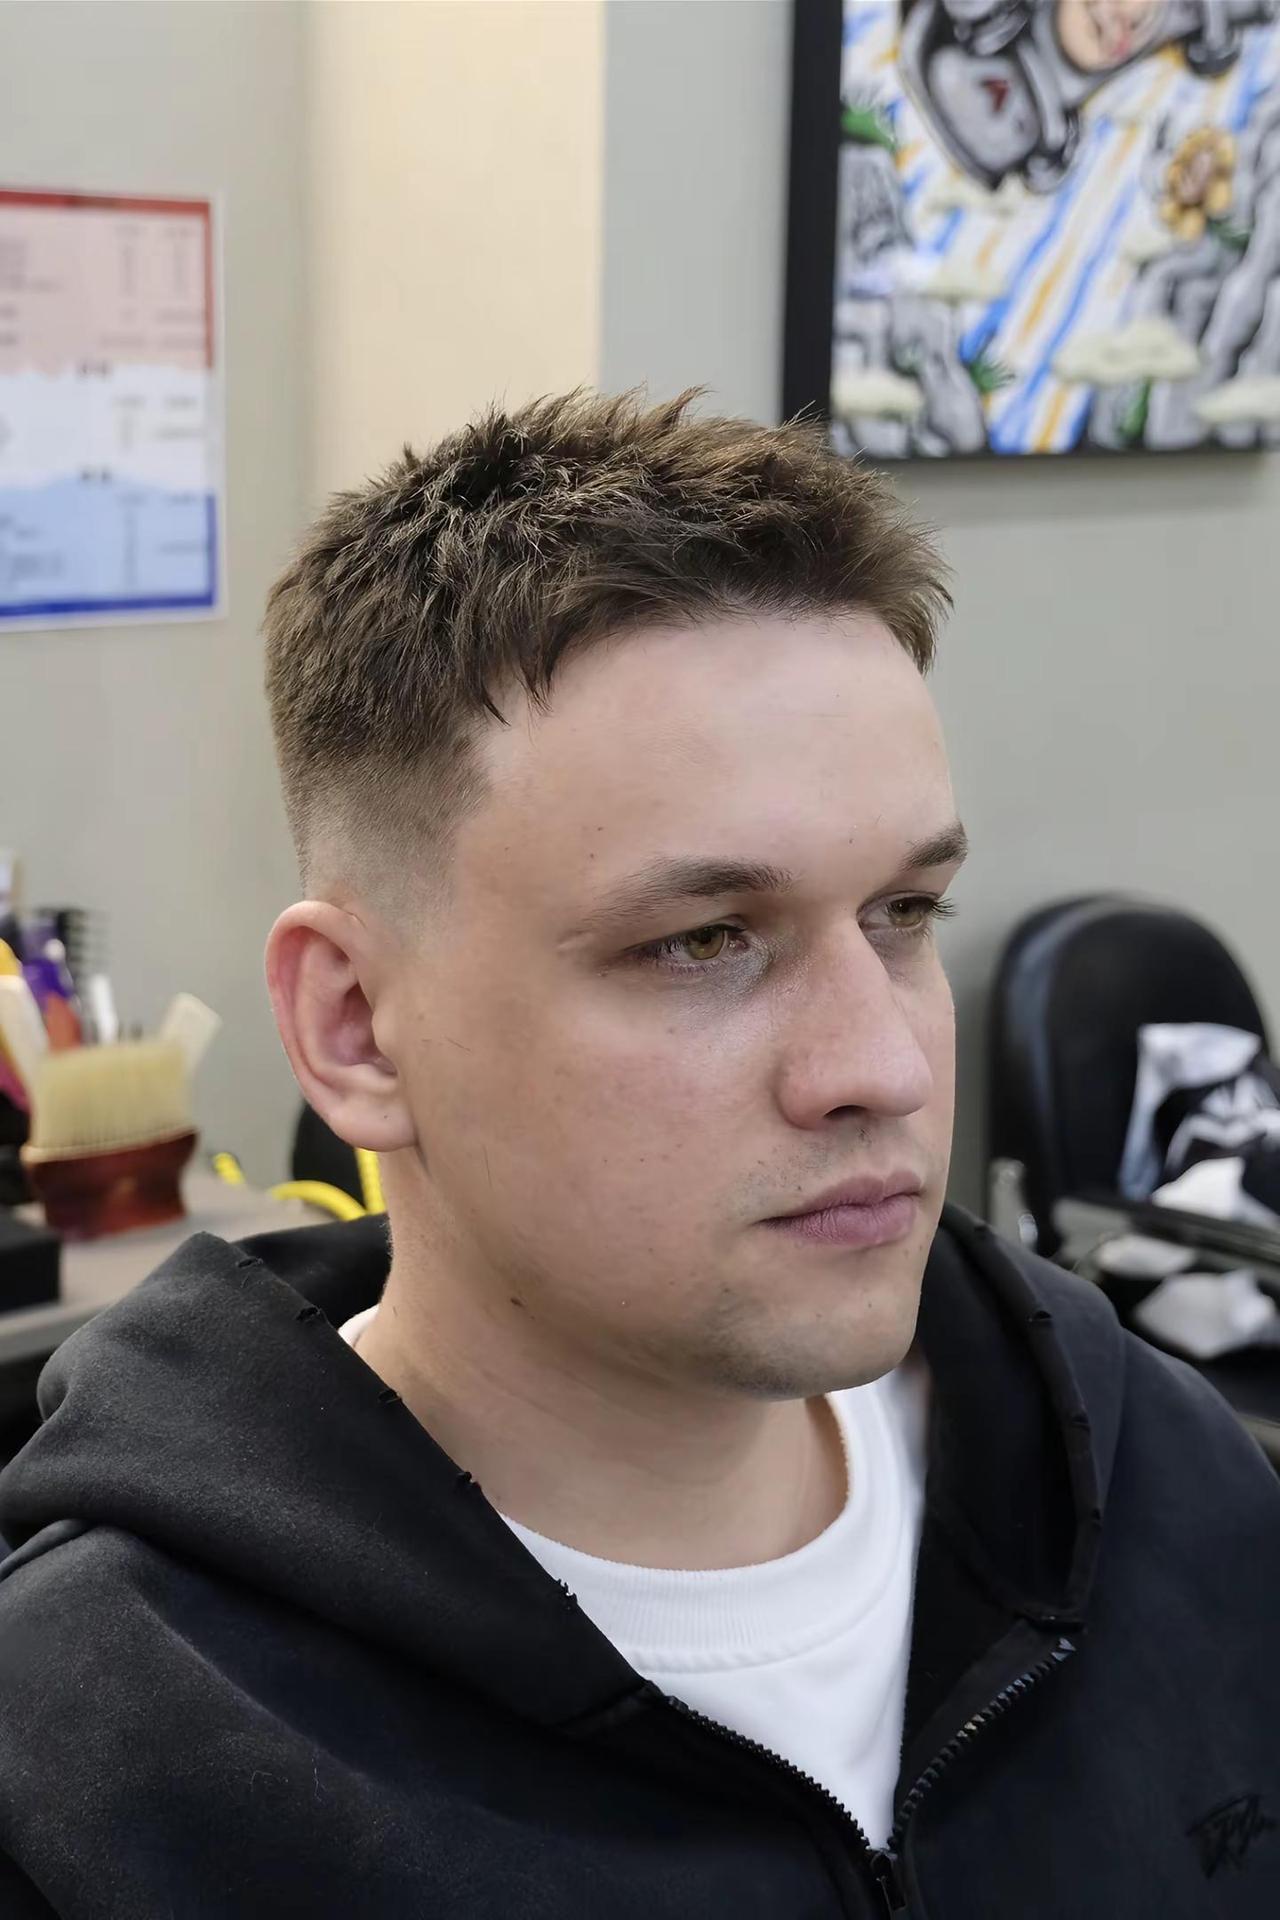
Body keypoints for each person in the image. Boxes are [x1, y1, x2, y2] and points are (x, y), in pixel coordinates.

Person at [0, 391, 1277, 1918]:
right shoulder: (94, 1778)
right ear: (355, 1028)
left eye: (904, 914)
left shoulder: (1162, 1484)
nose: (880, 1066)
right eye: (705, 941)